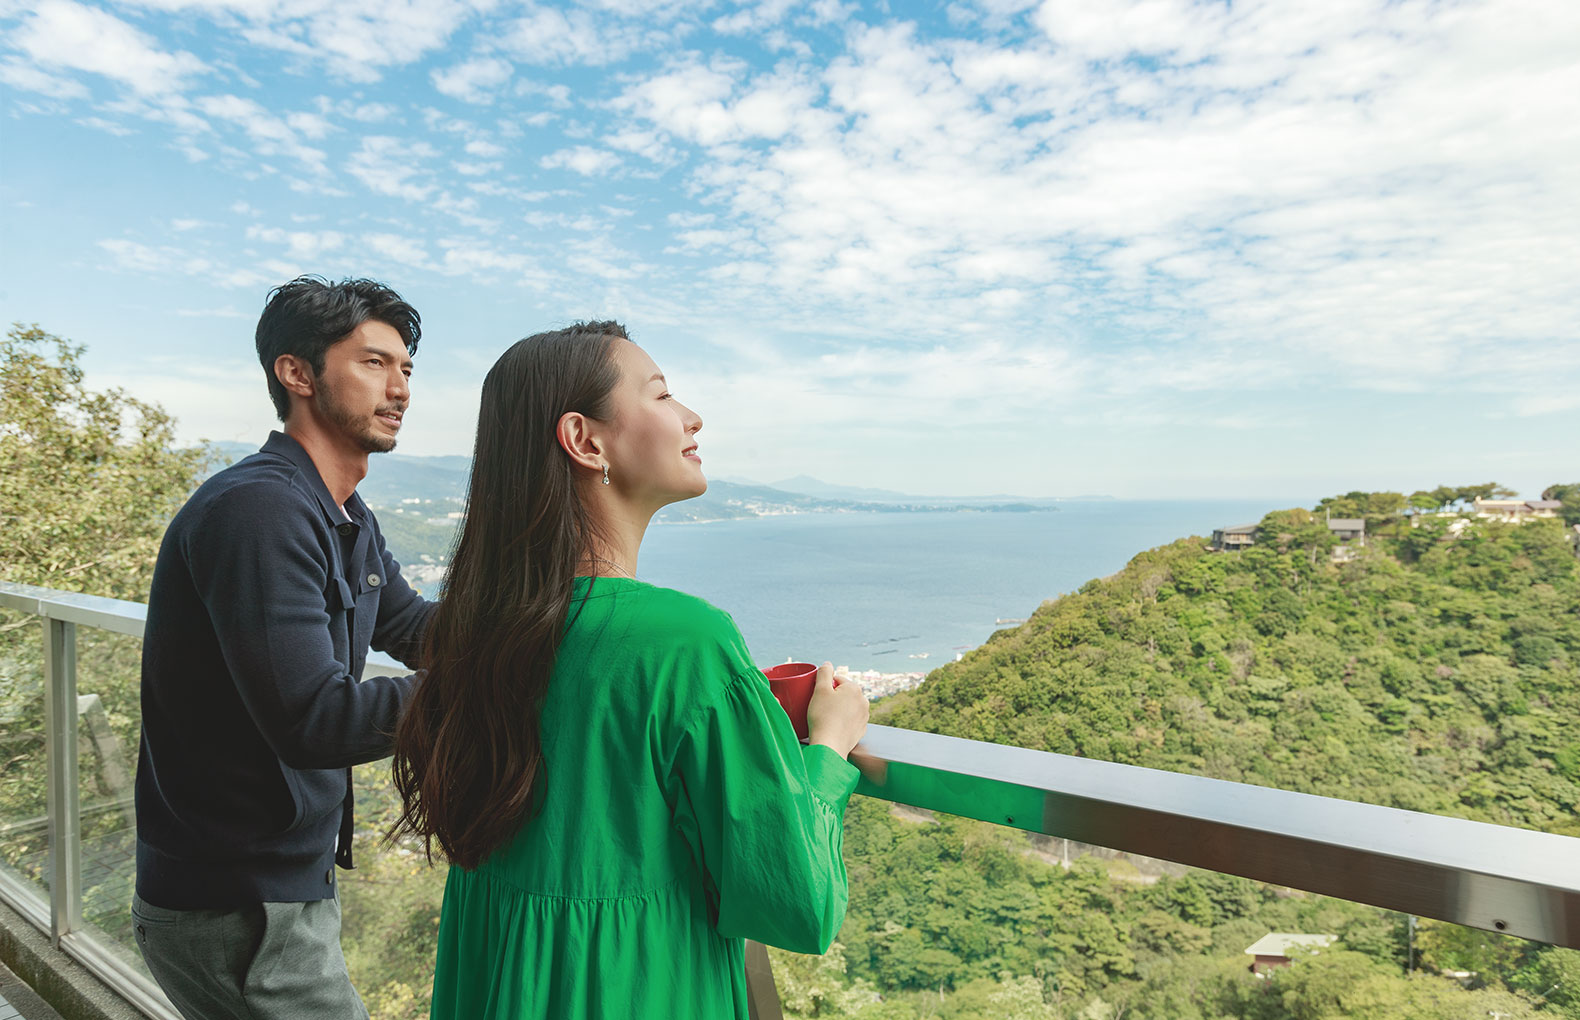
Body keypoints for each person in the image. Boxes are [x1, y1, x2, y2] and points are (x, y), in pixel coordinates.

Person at [390, 321, 871, 1019]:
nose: (691, 416)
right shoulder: (684, 642)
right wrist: (827, 751)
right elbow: (798, 905)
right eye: (664, 394)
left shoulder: (480, 633)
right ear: (586, 440)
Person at [133, 276, 437, 1019]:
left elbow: (417, 630)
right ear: (296, 373)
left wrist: (561, 624)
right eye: (373, 363)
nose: (399, 388)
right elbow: (314, 720)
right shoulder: (260, 509)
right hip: (236, 906)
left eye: (405, 368)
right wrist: (499, 685)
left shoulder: (342, 513)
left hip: (278, 891)